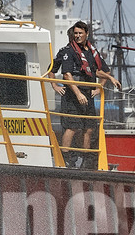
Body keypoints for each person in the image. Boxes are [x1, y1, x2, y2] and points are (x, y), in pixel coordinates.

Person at [48, 21, 118, 169]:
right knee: (72, 127)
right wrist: (54, 85)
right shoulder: (67, 51)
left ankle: (86, 159)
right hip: (73, 95)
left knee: (89, 127)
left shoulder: (91, 52)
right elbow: (64, 73)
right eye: (76, 33)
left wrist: (101, 87)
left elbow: (99, 71)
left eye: (80, 33)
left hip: (88, 93)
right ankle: (66, 158)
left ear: (86, 34)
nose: (77, 36)